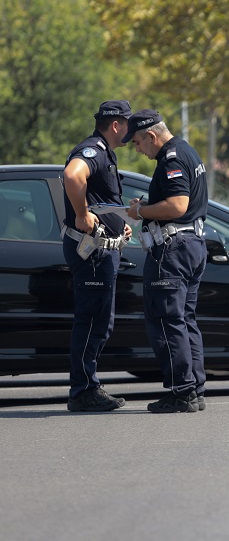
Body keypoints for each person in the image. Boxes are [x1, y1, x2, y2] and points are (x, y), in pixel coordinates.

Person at [123, 109, 209, 413]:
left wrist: (140, 212)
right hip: (192, 245)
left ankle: (182, 392)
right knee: (185, 320)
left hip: (173, 250)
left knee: (166, 320)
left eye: (136, 142)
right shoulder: (187, 151)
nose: (137, 149)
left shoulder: (171, 158)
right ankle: (195, 390)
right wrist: (147, 206)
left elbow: (177, 205)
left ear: (151, 135)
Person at [62, 99, 134, 412]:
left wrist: (121, 227)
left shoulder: (106, 153)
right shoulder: (94, 150)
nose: (131, 130)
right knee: (92, 321)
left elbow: (103, 200)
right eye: (128, 123)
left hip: (103, 250)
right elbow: (72, 176)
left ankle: (88, 385)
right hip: (92, 253)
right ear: (116, 124)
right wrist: (81, 214)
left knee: (99, 322)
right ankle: (82, 391)